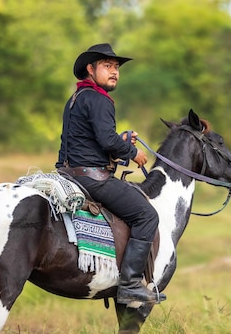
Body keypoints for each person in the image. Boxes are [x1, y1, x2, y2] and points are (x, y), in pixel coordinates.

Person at [56, 43, 166, 304]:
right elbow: (107, 141)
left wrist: (121, 139)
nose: (114, 72)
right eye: (107, 66)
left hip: (69, 172)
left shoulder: (76, 99)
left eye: (116, 67)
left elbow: (91, 141)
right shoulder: (100, 99)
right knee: (147, 215)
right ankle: (129, 284)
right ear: (90, 69)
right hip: (92, 179)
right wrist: (131, 152)